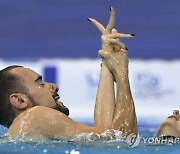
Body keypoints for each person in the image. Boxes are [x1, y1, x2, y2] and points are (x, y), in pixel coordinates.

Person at [0, 7, 137, 140]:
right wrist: (122, 74)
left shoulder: (26, 131)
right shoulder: (34, 116)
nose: (53, 86)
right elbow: (121, 140)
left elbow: (104, 133)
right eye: (40, 84)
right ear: (20, 101)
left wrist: (108, 61)